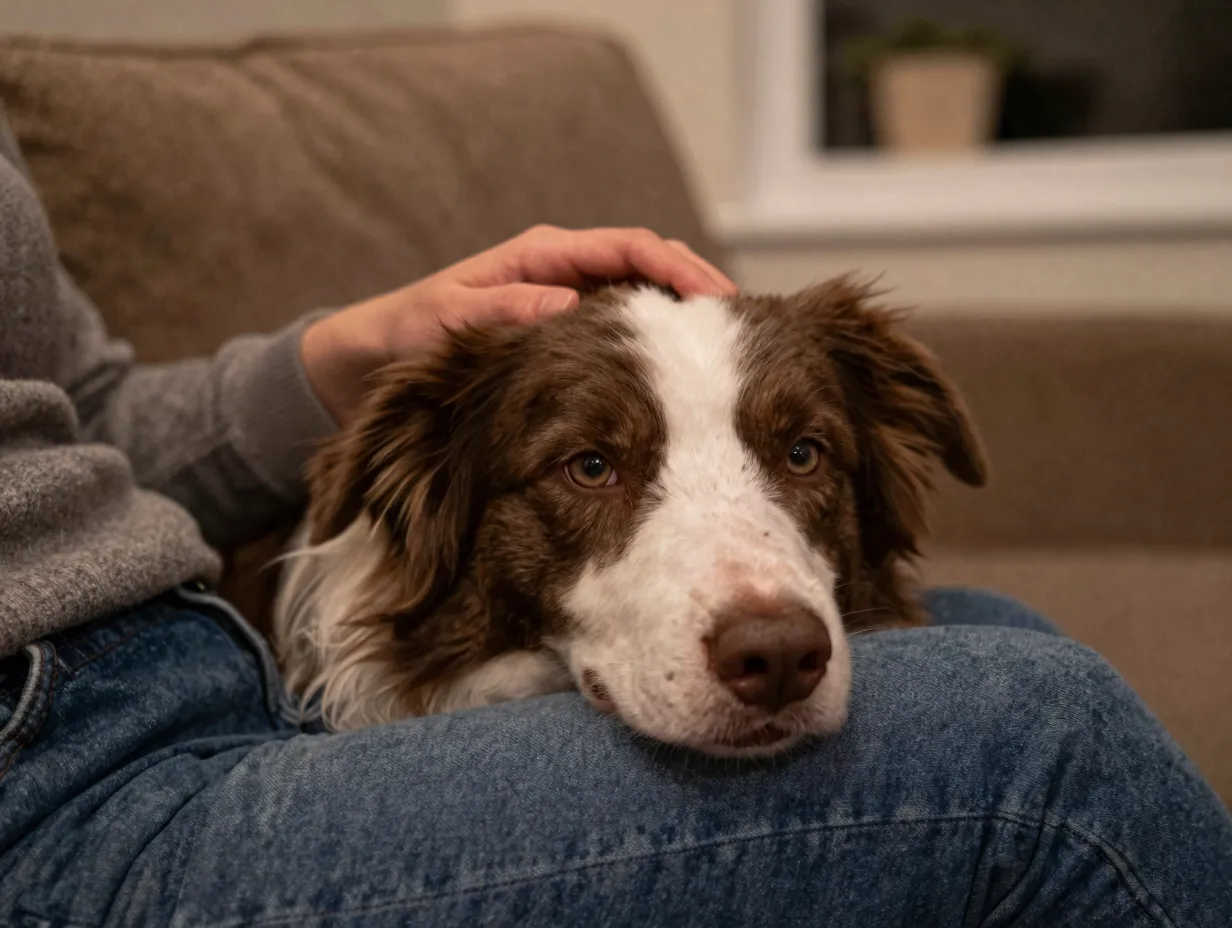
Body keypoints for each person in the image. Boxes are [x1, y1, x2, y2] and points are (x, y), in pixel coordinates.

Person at [0, 108, 1228, 928]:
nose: (766, 617)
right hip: (59, 804)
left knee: (1005, 634)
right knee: (1048, 743)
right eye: (589, 466)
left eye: (798, 450)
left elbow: (75, 417)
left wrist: (345, 351)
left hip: (167, 673)